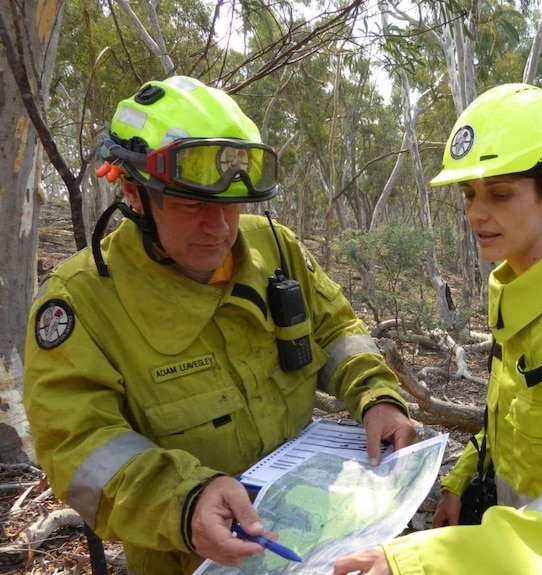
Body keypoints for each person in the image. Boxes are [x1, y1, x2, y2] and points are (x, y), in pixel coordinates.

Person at [23, 75, 415, 575]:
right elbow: (78, 450)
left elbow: (337, 329)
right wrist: (185, 502)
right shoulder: (81, 303)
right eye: (192, 205)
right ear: (135, 195)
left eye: (231, 206)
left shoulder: (276, 249)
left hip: (317, 535)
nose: (220, 228)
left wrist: (376, 394)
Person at [333, 83, 542, 574]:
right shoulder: (520, 290)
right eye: (469, 194)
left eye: (501, 194)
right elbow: (511, 423)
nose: (476, 213)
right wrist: (464, 478)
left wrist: (420, 564)